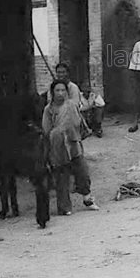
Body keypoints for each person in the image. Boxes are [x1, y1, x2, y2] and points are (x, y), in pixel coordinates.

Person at [42, 79, 100, 216]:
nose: (60, 93)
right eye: (57, 90)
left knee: (83, 172)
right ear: (52, 92)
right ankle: (64, 207)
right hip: (58, 147)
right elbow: (46, 130)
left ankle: (87, 199)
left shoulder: (72, 106)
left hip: (74, 144)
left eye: (63, 90)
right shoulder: (48, 110)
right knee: (62, 176)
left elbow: (79, 124)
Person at [46, 63, 105, 138]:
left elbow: (75, 104)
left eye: (63, 72)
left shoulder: (73, 87)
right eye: (59, 72)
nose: (61, 75)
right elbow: (49, 101)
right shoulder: (52, 87)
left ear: (67, 73)